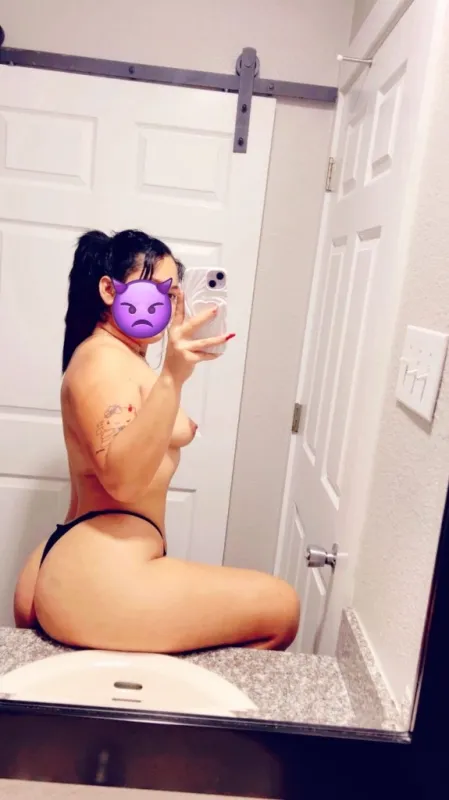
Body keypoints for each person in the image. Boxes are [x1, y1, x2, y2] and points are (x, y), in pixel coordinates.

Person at [14, 229, 300, 652]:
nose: (162, 306)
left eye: (170, 294)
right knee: (282, 608)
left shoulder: (122, 358)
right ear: (109, 290)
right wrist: (172, 376)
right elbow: (123, 482)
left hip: (88, 561)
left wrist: (170, 372)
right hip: (100, 576)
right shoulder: (102, 360)